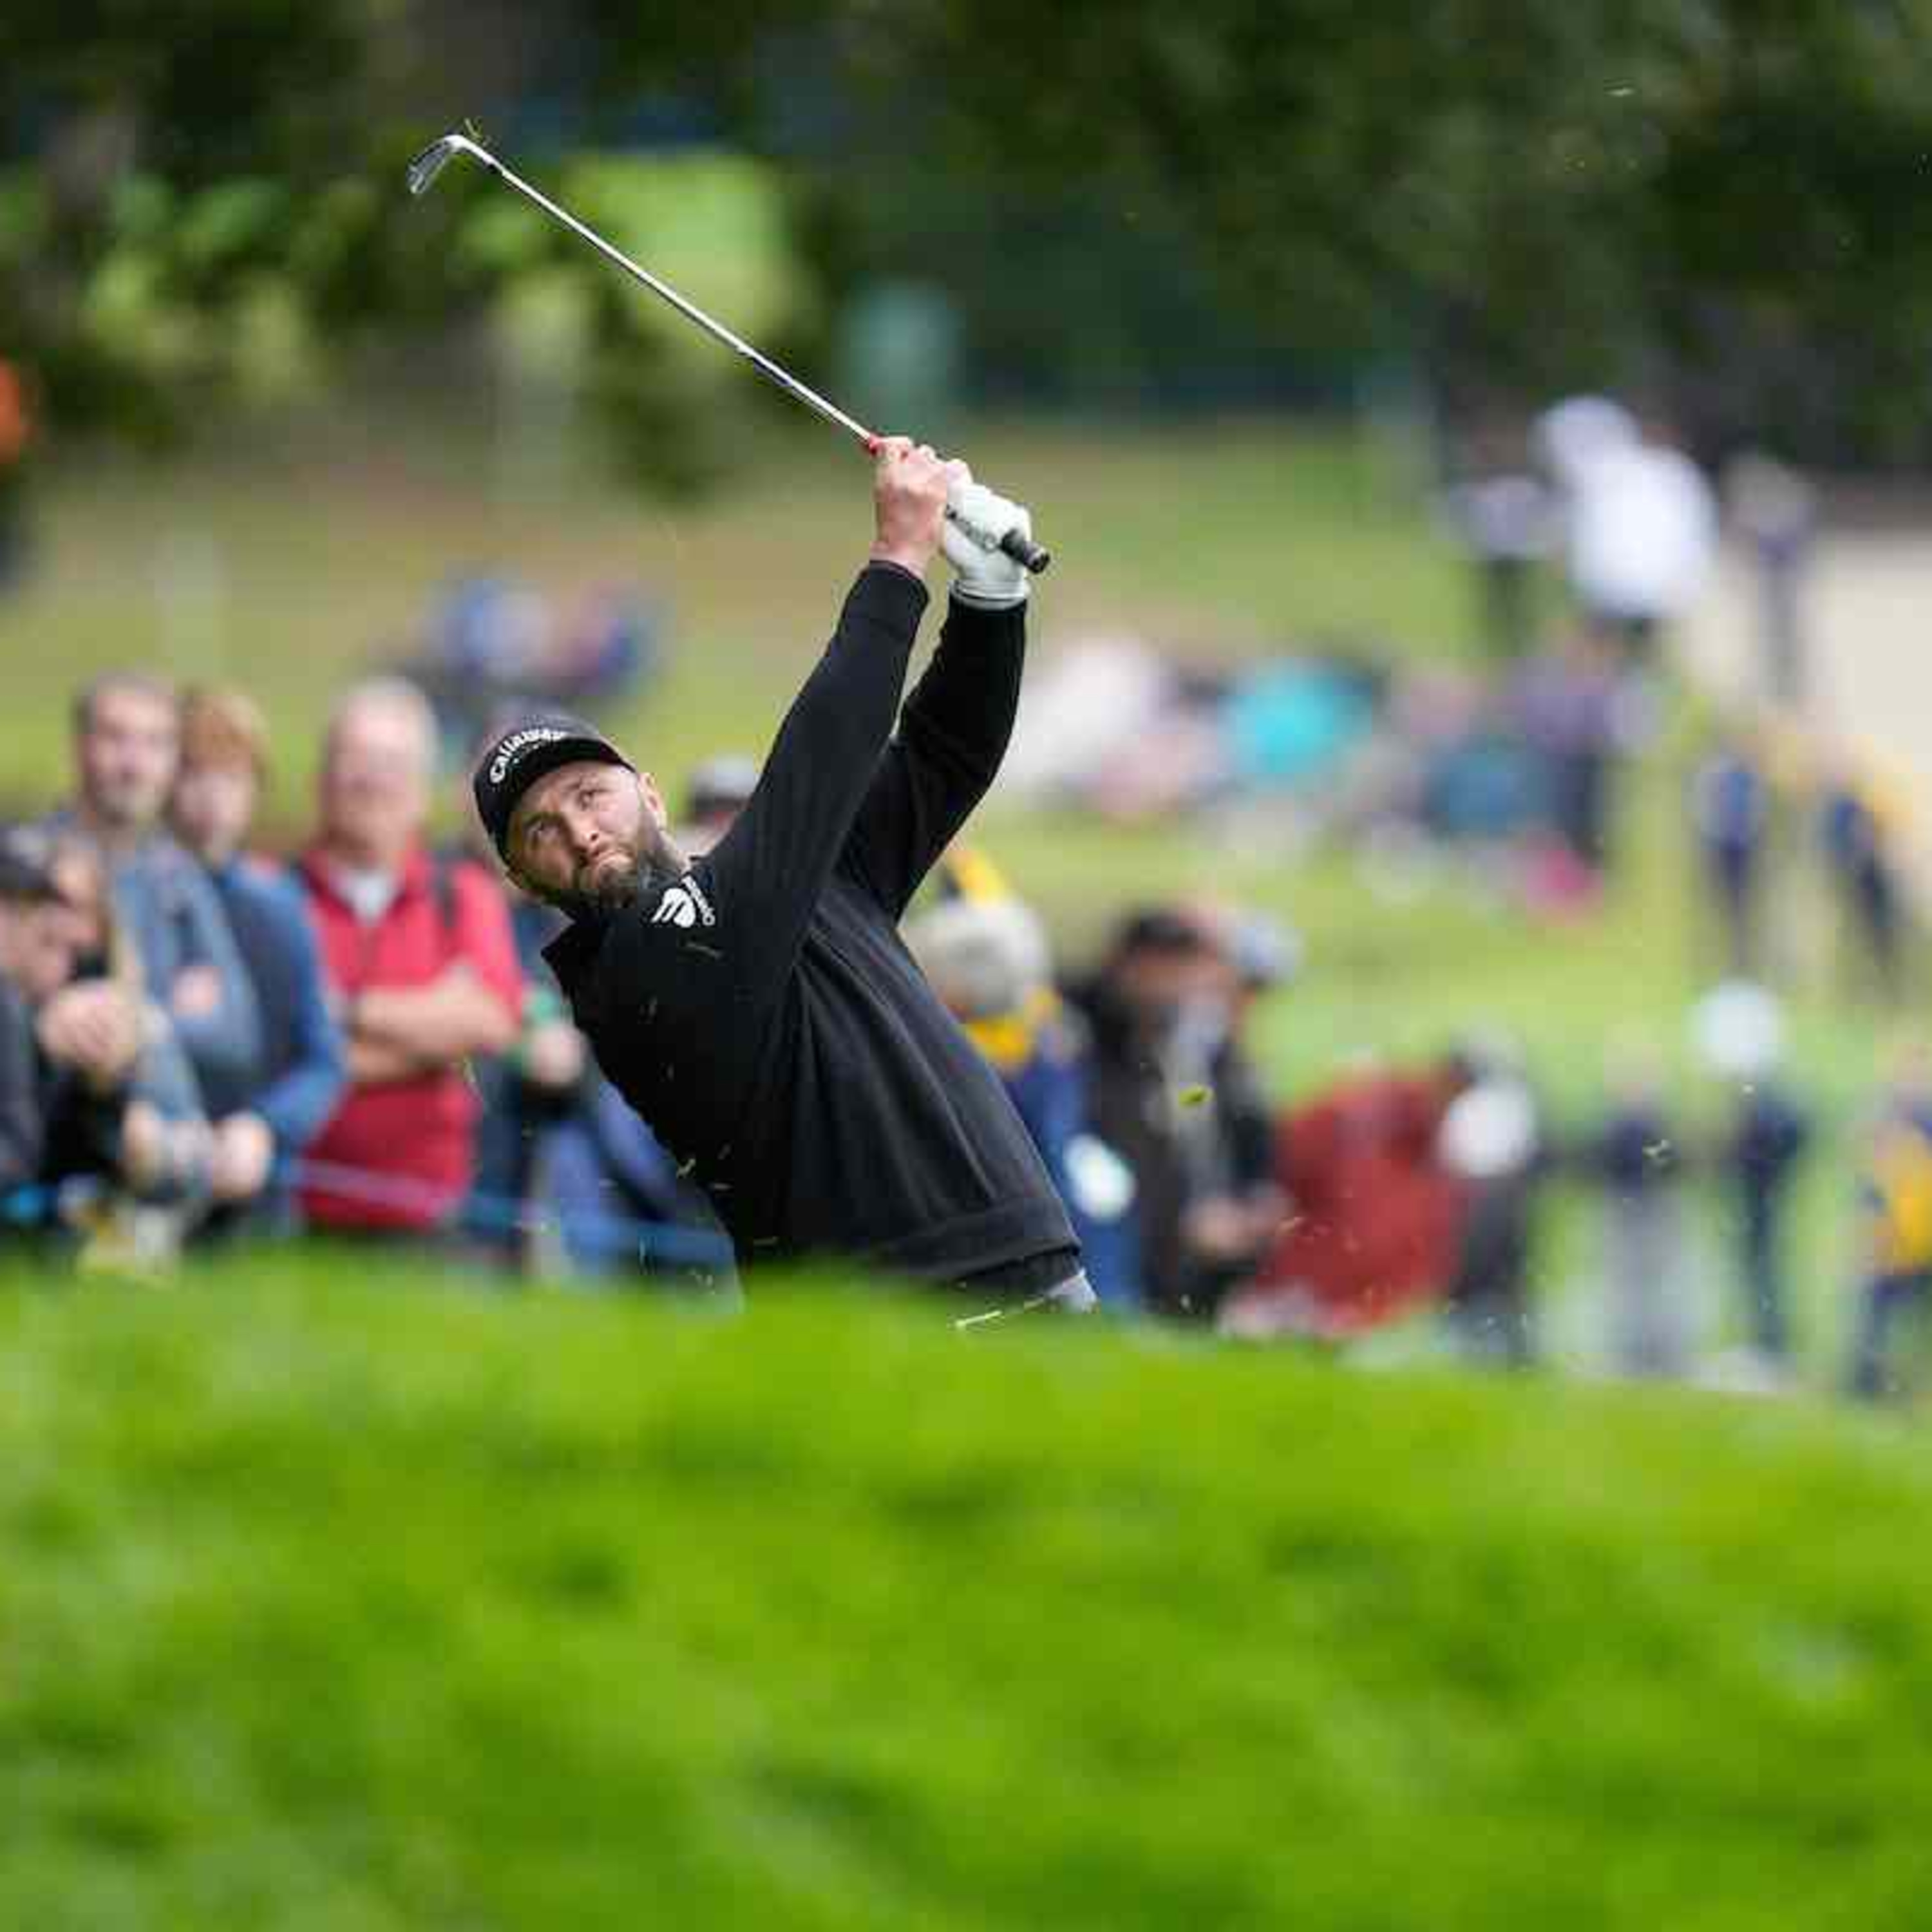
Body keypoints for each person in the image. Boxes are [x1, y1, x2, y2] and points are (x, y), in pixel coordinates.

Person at [470, 440, 1089, 1316]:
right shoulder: (631, 974)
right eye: (541, 830)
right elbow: (818, 766)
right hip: (880, 1318)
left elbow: (940, 756)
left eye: (588, 794)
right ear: (522, 880)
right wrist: (896, 561)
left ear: (646, 789)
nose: (579, 830)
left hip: (1035, 1269)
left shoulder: (797, 886)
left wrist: (991, 604)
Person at [297, 677, 522, 1240]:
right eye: (356, 758)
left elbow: (491, 1021)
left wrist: (343, 1011)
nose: (373, 780)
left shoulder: (465, 894)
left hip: (434, 1226)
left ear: (423, 790)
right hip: (290, 1218)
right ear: (322, 779)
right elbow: (271, 1049)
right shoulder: (278, 896)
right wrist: (431, 1038)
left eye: (393, 762)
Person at [168, 687, 346, 1228]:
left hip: (258, 1190)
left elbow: (324, 1059)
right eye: (194, 773)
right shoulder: (130, 895)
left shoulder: (280, 906)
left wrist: (265, 1127)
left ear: (254, 790)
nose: (212, 795)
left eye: (232, 777)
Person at [50, 673, 261, 1124]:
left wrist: (146, 1023)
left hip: (147, 1165)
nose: (134, 763)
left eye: (155, 743)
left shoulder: (179, 880)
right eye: (115, 737)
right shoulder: (28, 868)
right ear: (79, 746)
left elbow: (238, 1036)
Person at [1847, 1039, 1932, 1401]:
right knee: (1875, 1318)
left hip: (1922, 1237)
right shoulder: (1884, 1119)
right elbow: (1869, 1184)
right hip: (1890, 1237)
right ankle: (1867, 1385)